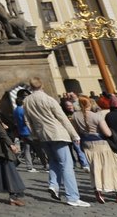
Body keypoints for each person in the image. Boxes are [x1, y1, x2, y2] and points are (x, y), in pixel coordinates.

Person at [22, 77, 89, 207]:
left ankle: (53, 185)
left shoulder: (26, 101)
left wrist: (35, 134)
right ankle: (73, 197)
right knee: (66, 165)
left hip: (42, 136)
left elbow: (27, 121)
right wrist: (74, 135)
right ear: (42, 85)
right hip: (57, 134)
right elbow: (63, 118)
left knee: (53, 161)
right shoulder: (48, 99)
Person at [72, 94, 117, 204]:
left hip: (87, 145)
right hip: (101, 145)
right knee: (113, 169)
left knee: (95, 169)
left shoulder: (75, 116)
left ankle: (98, 189)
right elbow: (108, 133)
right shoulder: (96, 116)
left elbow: (76, 131)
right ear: (89, 104)